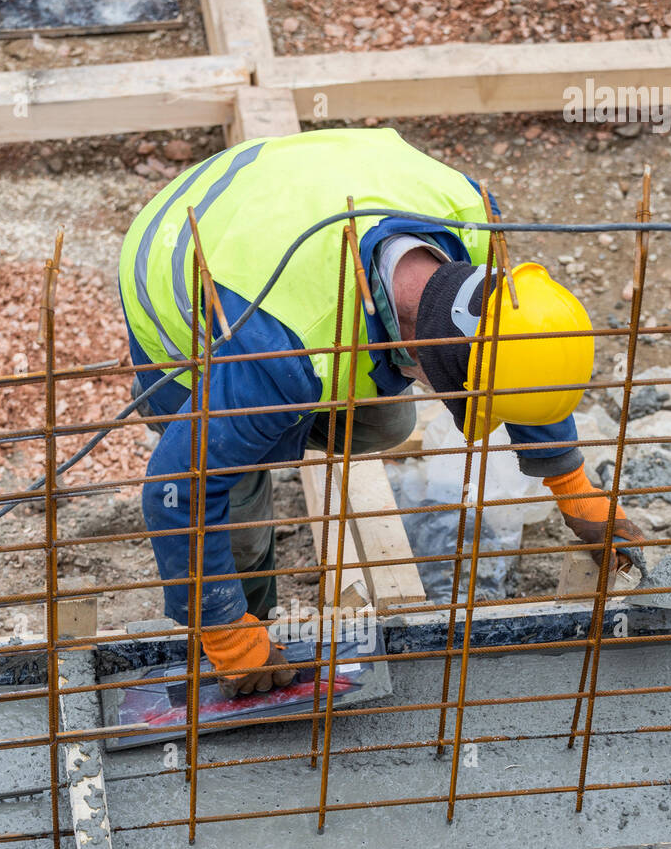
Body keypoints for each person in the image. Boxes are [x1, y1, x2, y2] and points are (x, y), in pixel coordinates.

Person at [119, 127, 644, 697]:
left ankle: (267, 429)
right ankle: (248, 620)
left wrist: (573, 486)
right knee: (228, 492)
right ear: (423, 358)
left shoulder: (474, 222)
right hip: (179, 265)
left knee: (390, 421)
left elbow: (513, 349)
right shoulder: (288, 345)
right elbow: (173, 487)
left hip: (283, 187)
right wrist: (222, 625)